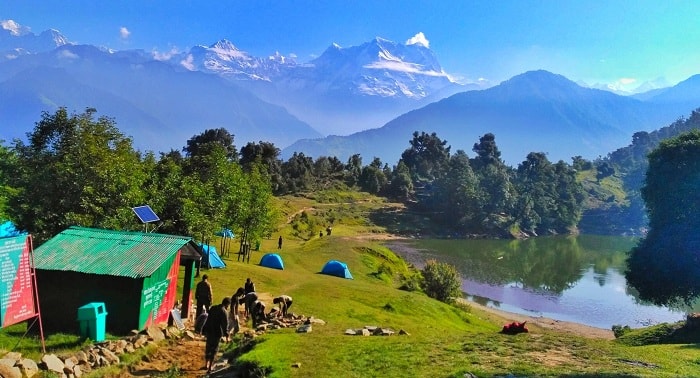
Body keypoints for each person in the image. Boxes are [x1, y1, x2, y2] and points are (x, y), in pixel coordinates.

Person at [203, 297, 230, 373]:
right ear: (227, 304)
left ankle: (206, 364)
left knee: (208, 347)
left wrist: (205, 328)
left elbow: (208, 318)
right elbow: (225, 324)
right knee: (214, 349)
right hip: (217, 332)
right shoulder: (224, 311)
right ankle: (210, 367)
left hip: (209, 330)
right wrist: (227, 334)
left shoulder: (213, 308)